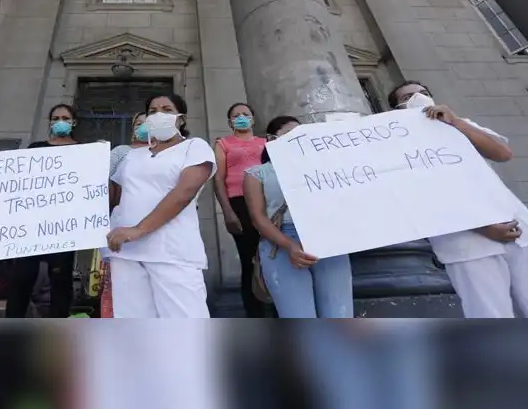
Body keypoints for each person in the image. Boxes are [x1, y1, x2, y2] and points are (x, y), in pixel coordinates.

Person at [388, 80, 528, 318]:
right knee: (490, 313)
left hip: (518, 229)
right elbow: (421, 197)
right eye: (407, 97)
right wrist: (484, 227)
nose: (417, 98)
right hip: (466, 242)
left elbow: (503, 153)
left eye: (423, 93)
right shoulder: (394, 147)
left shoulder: (461, 124)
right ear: (396, 109)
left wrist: (456, 122)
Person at [106, 93, 216, 318]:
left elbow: (183, 193)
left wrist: (138, 230)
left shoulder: (195, 147)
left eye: (167, 110)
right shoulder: (133, 156)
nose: (159, 115)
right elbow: (113, 197)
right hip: (125, 252)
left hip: (172, 251)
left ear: (181, 119)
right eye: (153, 111)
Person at [243, 116, 355, 318]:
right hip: (281, 242)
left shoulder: (324, 167)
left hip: (328, 239)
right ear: (271, 139)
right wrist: (289, 246)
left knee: (339, 315)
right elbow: (258, 218)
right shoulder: (257, 173)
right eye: (290, 133)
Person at [4, 104, 80, 318]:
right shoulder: (36, 147)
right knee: (22, 276)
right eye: (55, 117)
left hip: (64, 223)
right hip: (32, 222)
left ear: (74, 122)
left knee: (61, 278)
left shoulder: (84, 150)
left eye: (65, 117)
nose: (60, 121)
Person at [213, 102, 268, 318]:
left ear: (253, 119)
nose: (241, 117)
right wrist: (227, 211)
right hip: (238, 203)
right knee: (250, 258)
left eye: (246, 114)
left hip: (267, 201)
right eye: (236, 115)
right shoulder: (223, 143)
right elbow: (218, 178)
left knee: (272, 257)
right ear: (230, 122)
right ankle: (255, 314)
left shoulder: (265, 143)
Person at [100, 112, 148, 318]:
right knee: (120, 286)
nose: (142, 127)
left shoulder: (168, 153)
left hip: (155, 228)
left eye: (147, 123)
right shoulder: (121, 152)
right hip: (122, 225)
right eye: (138, 123)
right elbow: (104, 183)